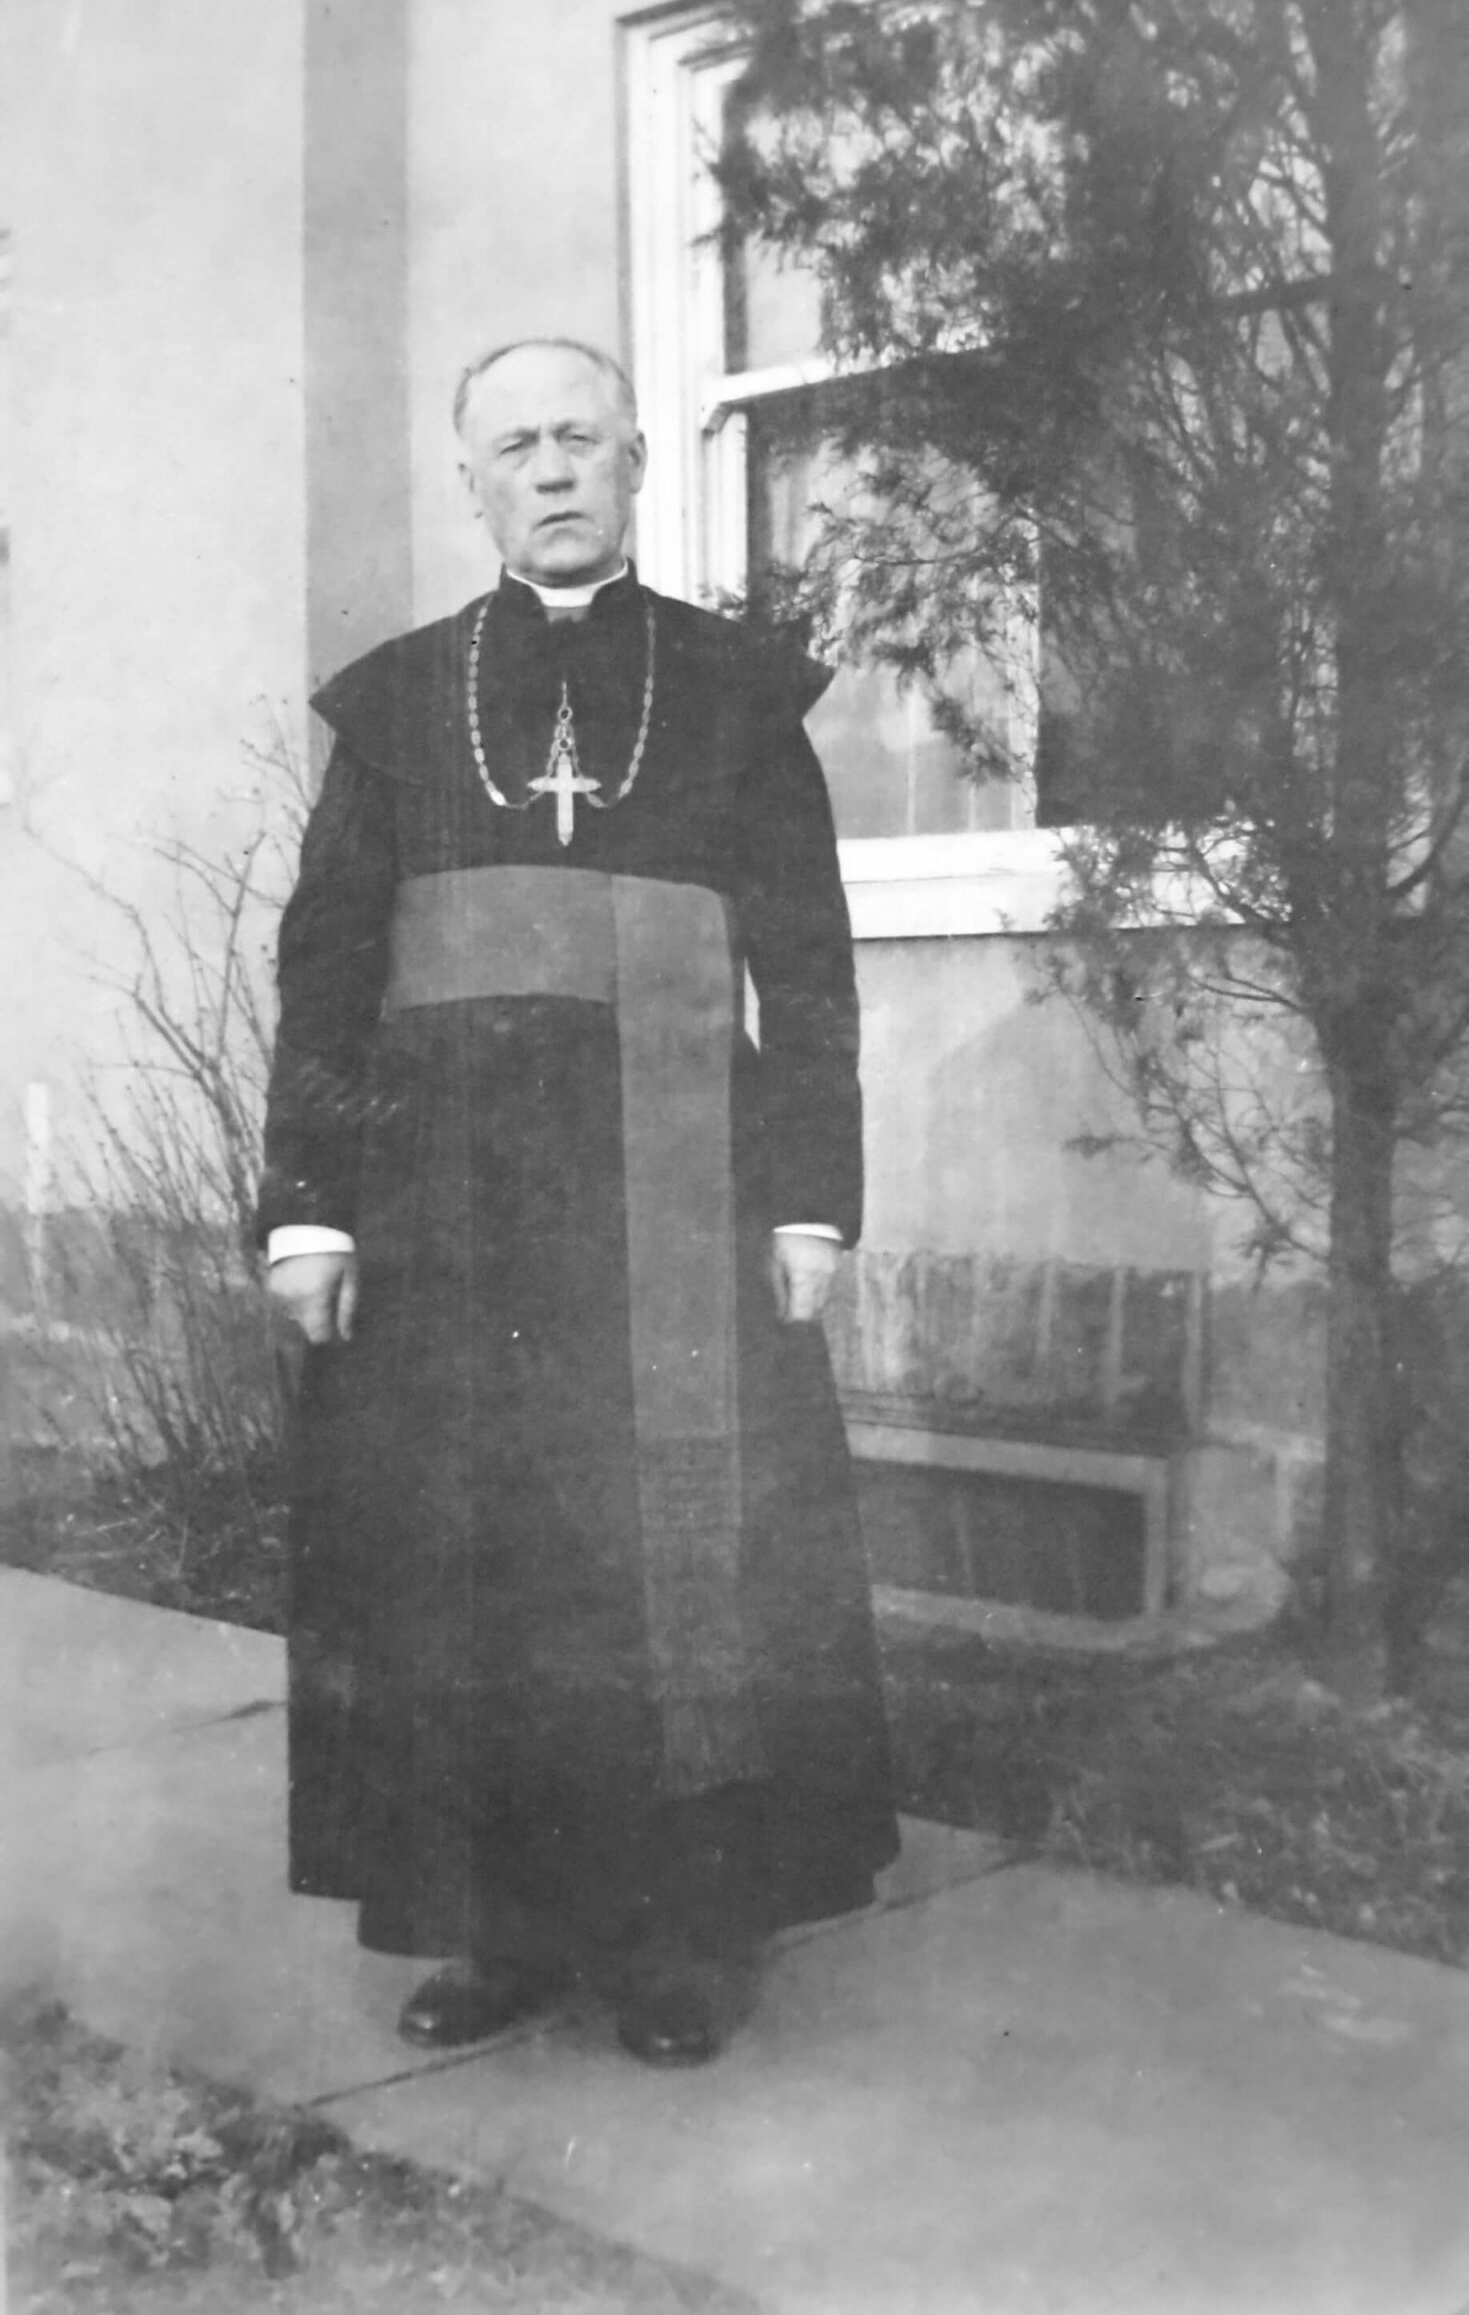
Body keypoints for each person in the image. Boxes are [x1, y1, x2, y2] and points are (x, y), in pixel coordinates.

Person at [259, 337, 898, 2066]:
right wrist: (309, 1206)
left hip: (676, 1202)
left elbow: (807, 968)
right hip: (447, 1216)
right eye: (515, 448)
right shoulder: (399, 701)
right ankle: (497, 1928)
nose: (550, 471)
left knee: (672, 1560)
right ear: (471, 485)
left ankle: (679, 1939)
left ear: (633, 464)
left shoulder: (735, 693)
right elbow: (325, 963)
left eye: (579, 440)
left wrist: (811, 1202)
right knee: (471, 1561)